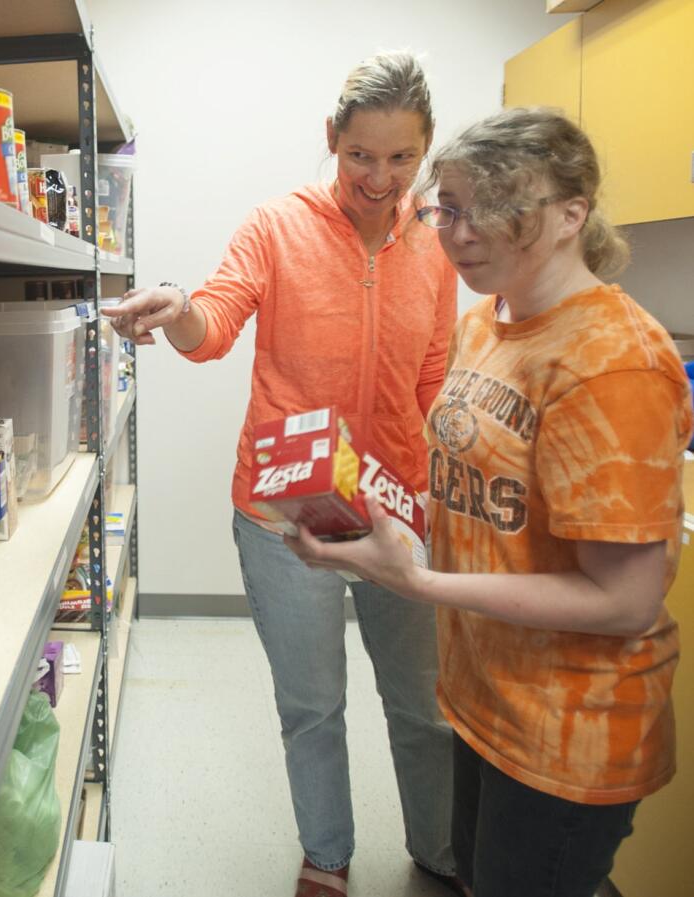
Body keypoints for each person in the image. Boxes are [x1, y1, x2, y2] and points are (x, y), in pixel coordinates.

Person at [285, 106, 692, 897]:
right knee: (475, 874)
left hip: (566, 731)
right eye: (451, 208)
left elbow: (625, 599)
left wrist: (416, 581)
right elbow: (485, 496)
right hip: (481, 698)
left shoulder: (612, 362)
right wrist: (379, 515)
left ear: (573, 214)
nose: (461, 233)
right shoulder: (486, 323)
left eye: (497, 210)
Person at [103, 52, 460, 897]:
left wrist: (442, 489)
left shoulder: (438, 244)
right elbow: (216, 321)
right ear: (331, 139)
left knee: (422, 705)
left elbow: (435, 377)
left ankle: (442, 848)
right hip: (285, 515)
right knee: (313, 705)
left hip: (396, 512)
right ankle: (328, 853)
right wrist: (178, 309)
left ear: (426, 148)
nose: (379, 177)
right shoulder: (277, 225)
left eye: (402, 157)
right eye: (360, 155)